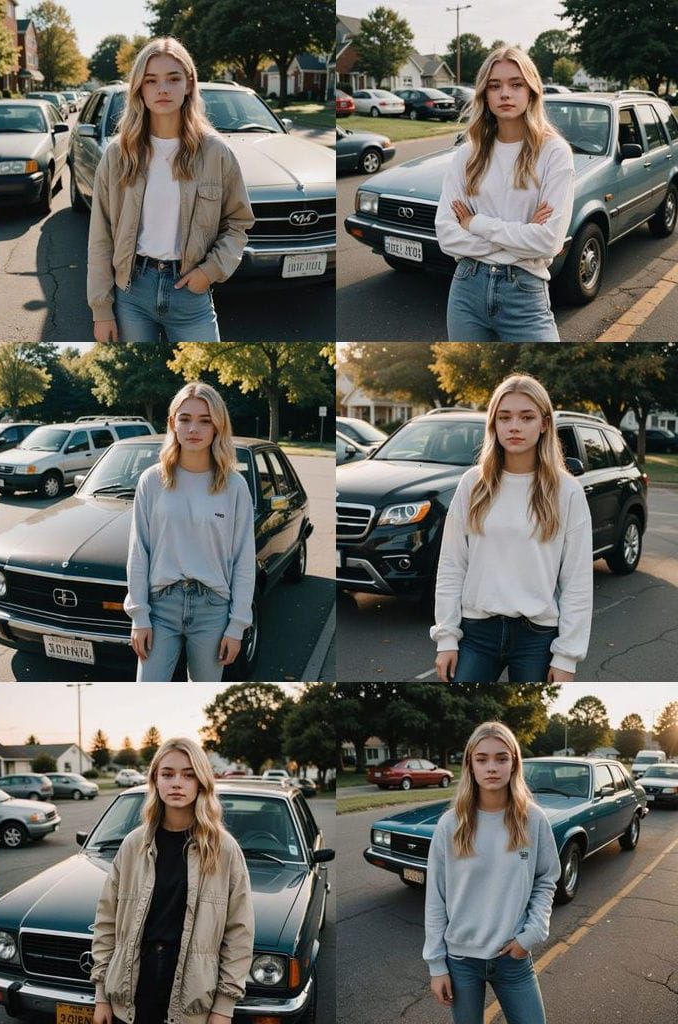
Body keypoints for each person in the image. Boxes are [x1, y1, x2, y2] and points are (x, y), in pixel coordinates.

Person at [87, 37, 254, 343]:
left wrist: (210, 271)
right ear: (139, 87)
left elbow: (238, 222)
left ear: (189, 84)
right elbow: (101, 235)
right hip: (132, 292)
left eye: (173, 78)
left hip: (190, 294)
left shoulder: (216, 152)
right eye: (151, 81)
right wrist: (102, 311)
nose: (162, 89)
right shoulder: (118, 154)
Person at [431, 373, 592, 683]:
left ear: (544, 423)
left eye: (526, 417)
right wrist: (446, 638)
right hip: (476, 632)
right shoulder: (473, 484)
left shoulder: (567, 492)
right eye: (504, 418)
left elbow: (577, 582)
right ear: (493, 424)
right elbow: (452, 565)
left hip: (538, 637)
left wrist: (567, 657)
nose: (514, 426)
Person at [90, 737, 254, 1024]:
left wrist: (223, 1008)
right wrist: (102, 995)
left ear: (201, 782)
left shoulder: (224, 849)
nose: (177, 782)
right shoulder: (133, 845)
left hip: (190, 998)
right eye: (168, 774)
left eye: (188, 775)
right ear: (155, 779)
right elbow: (106, 922)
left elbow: (239, 934)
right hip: (130, 994)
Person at [435, 46, 575, 341]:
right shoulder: (467, 154)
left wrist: (474, 224)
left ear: (532, 91)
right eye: (495, 86)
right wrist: (523, 237)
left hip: (525, 292)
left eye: (516, 84)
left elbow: (549, 241)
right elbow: (447, 234)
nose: (505, 94)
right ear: (485, 95)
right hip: (466, 291)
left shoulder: (554, 153)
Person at [424, 721, 560, 1024]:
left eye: (501, 758)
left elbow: (546, 878)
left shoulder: (533, 820)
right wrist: (436, 965)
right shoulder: (450, 824)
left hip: (513, 957)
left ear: (514, 764)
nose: (492, 767)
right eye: (482, 759)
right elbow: (435, 897)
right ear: (470, 765)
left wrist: (532, 934)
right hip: (461, 962)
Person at [126, 381, 255, 681]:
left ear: (217, 427)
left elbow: (244, 560)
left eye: (204, 420)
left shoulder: (234, 486)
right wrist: (139, 616)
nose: (193, 428)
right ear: (173, 423)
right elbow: (138, 552)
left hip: (213, 610)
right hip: (160, 608)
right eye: (185, 419)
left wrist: (237, 626)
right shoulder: (152, 481)